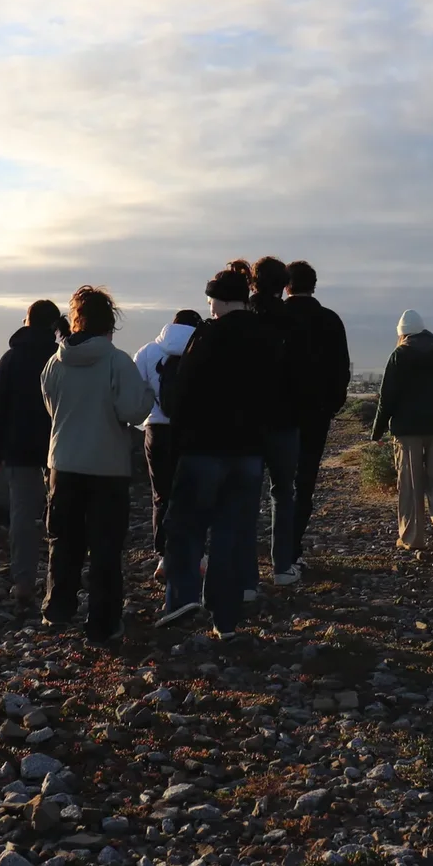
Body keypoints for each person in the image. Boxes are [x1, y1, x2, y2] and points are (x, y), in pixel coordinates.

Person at [157, 264, 279, 637]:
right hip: (249, 452)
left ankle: (182, 597)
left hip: (204, 448)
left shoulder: (207, 337)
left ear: (218, 301)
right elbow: (276, 394)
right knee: (231, 532)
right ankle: (224, 618)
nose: (209, 307)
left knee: (187, 524)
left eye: (211, 300)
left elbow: (184, 393)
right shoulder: (268, 337)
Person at [40, 286, 156, 642]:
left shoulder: (54, 362)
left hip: (64, 462)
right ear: (111, 323)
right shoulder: (117, 361)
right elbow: (133, 411)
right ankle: (102, 623)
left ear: (76, 319)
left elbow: (50, 404)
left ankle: (57, 609)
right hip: (107, 467)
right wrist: (149, 392)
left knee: (63, 541)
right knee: (105, 548)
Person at [0, 299, 63, 610]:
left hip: (18, 447)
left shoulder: (11, 358)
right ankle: (58, 576)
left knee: (21, 515)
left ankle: (23, 581)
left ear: (26, 321)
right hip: (57, 445)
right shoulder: (59, 357)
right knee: (59, 513)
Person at [370, 310, 433, 551]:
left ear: (402, 334)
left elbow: (386, 399)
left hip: (408, 430)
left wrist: (376, 432)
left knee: (410, 485)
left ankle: (412, 539)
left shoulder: (400, 355)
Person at [283, 260, 351, 564]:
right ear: (314, 285)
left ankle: (271, 550)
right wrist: (330, 407)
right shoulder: (330, 320)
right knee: (304, 482)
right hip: (316, 415)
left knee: (276, 483)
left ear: (287, 285)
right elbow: (341, 370)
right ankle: (291, 550)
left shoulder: (276, 317)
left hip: (277, 415)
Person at [246, 256, 303, 591]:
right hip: (285, 419)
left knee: (244, 498)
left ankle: (247, 579)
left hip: (247, 421)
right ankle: (282, 566)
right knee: (283, 492)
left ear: (253, 283)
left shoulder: (243, 319)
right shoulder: (293, 322)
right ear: (284, 286)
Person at [134, 308, 203, 579]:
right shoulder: (203, 349)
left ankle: (164, 557)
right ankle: (197, 554)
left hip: (157, 431)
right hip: (193, 431)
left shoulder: (148, 351)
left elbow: (136, 395)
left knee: (161, 494)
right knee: (195, 493)